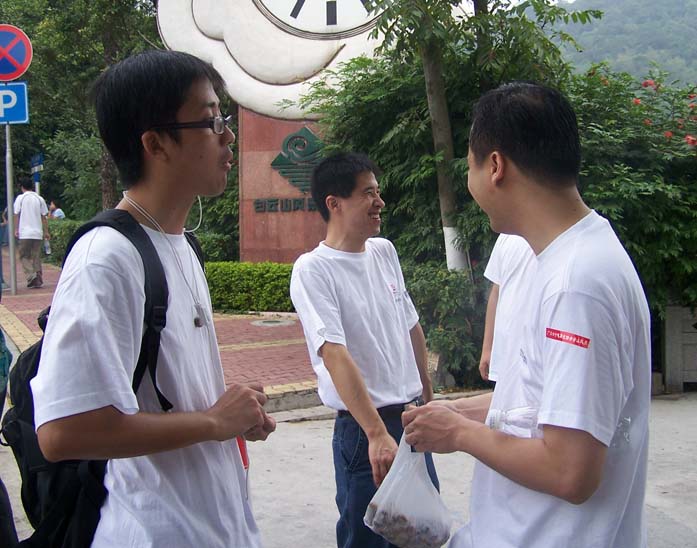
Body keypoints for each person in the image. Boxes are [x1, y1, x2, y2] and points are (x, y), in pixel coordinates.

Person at [31, 50, 275, 547]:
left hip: (212, 528)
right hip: (153, 531)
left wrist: (227, 412)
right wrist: (212, 421)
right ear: (156, 143)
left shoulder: (181, 245)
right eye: (211, 121)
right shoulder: (107, 258)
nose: (228, 136)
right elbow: (63, 431)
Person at [403, 82, 651, 548]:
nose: (471, 182)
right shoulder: (569, 259)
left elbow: (570, 471)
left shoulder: (575, 284)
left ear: (495, 166)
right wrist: (458, 411)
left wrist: (459, 433)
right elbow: (545, 406)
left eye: (471, 165)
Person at [290, 152, 439, 548]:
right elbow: (334, 353)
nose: (379, 202)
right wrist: (375, 433)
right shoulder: (313, 269)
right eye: (368, 194)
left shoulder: (384, 252)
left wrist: (426, 394)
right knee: (369, 540)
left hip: (410, 420)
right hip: (363, 430)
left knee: (422, 535)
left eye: (378, 192)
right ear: (334, 204)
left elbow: (410, 325)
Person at [478, 234, 534, 381]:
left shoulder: (550, 235)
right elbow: (496, 292)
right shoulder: (506, 236)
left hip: (534, 356)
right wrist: (487, 348)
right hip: (504, 354)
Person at [13, 179, 49, 288]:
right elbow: (44, 217)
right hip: (37, 233)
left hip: (25, 233)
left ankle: (31, 275)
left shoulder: (20, 198)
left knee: (24, 255)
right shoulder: (39, 199)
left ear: (22, 187)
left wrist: (16, 229)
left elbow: (16, 214)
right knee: (36, 256)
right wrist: (46, 231)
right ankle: (38, 277)